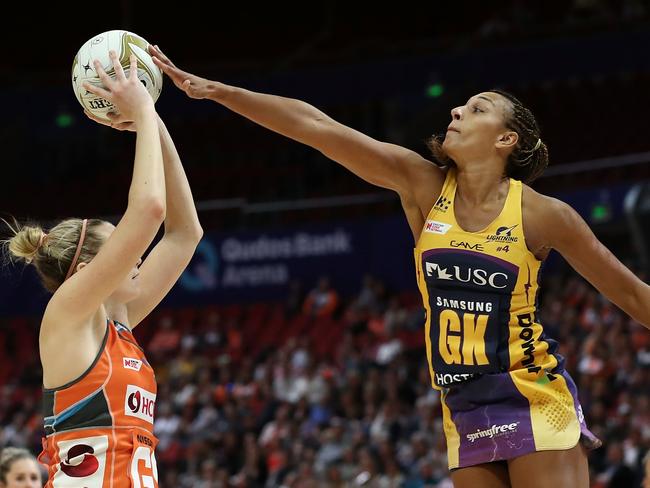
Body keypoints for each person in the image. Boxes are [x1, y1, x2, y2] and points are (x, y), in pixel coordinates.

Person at [149, 45, 650, 487]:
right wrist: (218, 92)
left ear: (506, 141)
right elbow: (317, 128)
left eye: (477, 109)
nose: (457, 109)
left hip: (532, 391)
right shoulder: (424, 187)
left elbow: (629, 295)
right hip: (463, 405)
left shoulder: (544, 214)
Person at [2, 50, 202, 487]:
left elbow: (184, 234)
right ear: (91, 268)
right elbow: (150, 209)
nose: (138, 256)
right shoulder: (68, 314)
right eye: (125, 249)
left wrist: (155, 124)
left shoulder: (118, 321)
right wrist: (144, 114)